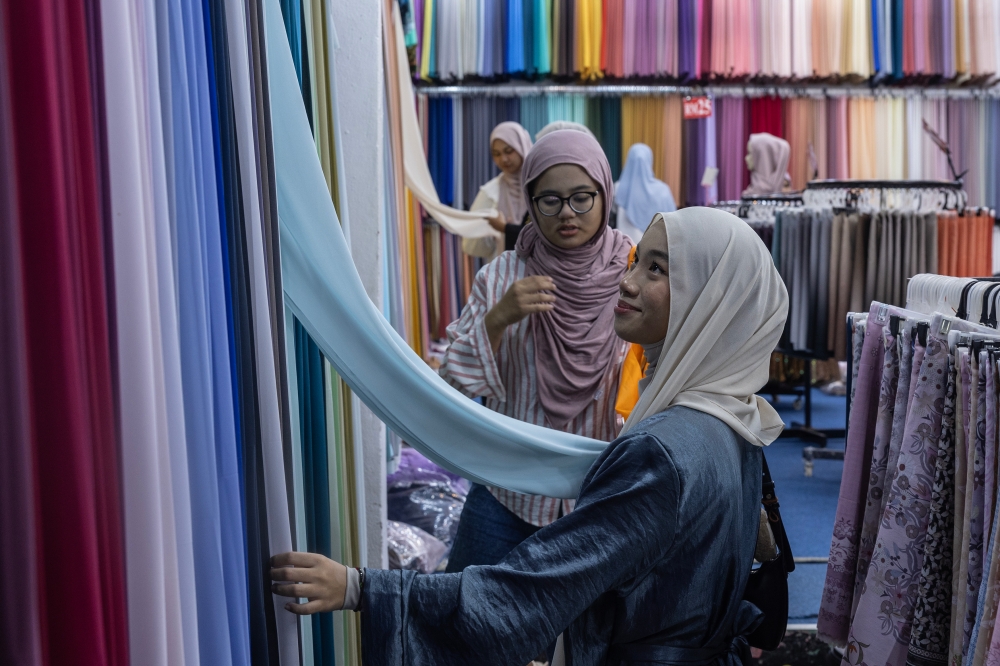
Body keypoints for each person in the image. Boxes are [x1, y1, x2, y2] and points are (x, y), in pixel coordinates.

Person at [270, 207, 790, 666]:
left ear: (713, 300)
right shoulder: (733, 419)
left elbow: (531, 592)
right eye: (635, 261)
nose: (628, 282)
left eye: (657, 269)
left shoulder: (661, 452)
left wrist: (361, 588)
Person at [442, 129, 632, 575]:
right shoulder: (502, 276)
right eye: (550, 200)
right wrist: (497, 319)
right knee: (467, 608)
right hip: (508, 489)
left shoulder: (634, 273)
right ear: (530, 200)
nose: (566, 213)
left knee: (590, 620)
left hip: (600, 493)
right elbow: (451, 382)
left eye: (581, 197)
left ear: (604, 194)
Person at [462, 121, 533, 261]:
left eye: (509, 151)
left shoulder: (540, 185)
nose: (503, 159)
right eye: (496, 154)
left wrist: (504, 228)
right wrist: (491, 236)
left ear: (522, 146)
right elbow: (470, 245)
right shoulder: (490, 191)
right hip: (504, 271)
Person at [613, 143, 677, 244]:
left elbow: (612, 212)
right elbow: (673, 222)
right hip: (655, 246)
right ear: (649, 161)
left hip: (625, 246)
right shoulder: (663, 190)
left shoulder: (618, 188)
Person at [741, 133, 791, 197]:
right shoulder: (751, 193)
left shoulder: (785, 193)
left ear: (763, 156)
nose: (746, 158)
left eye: (750, 153)